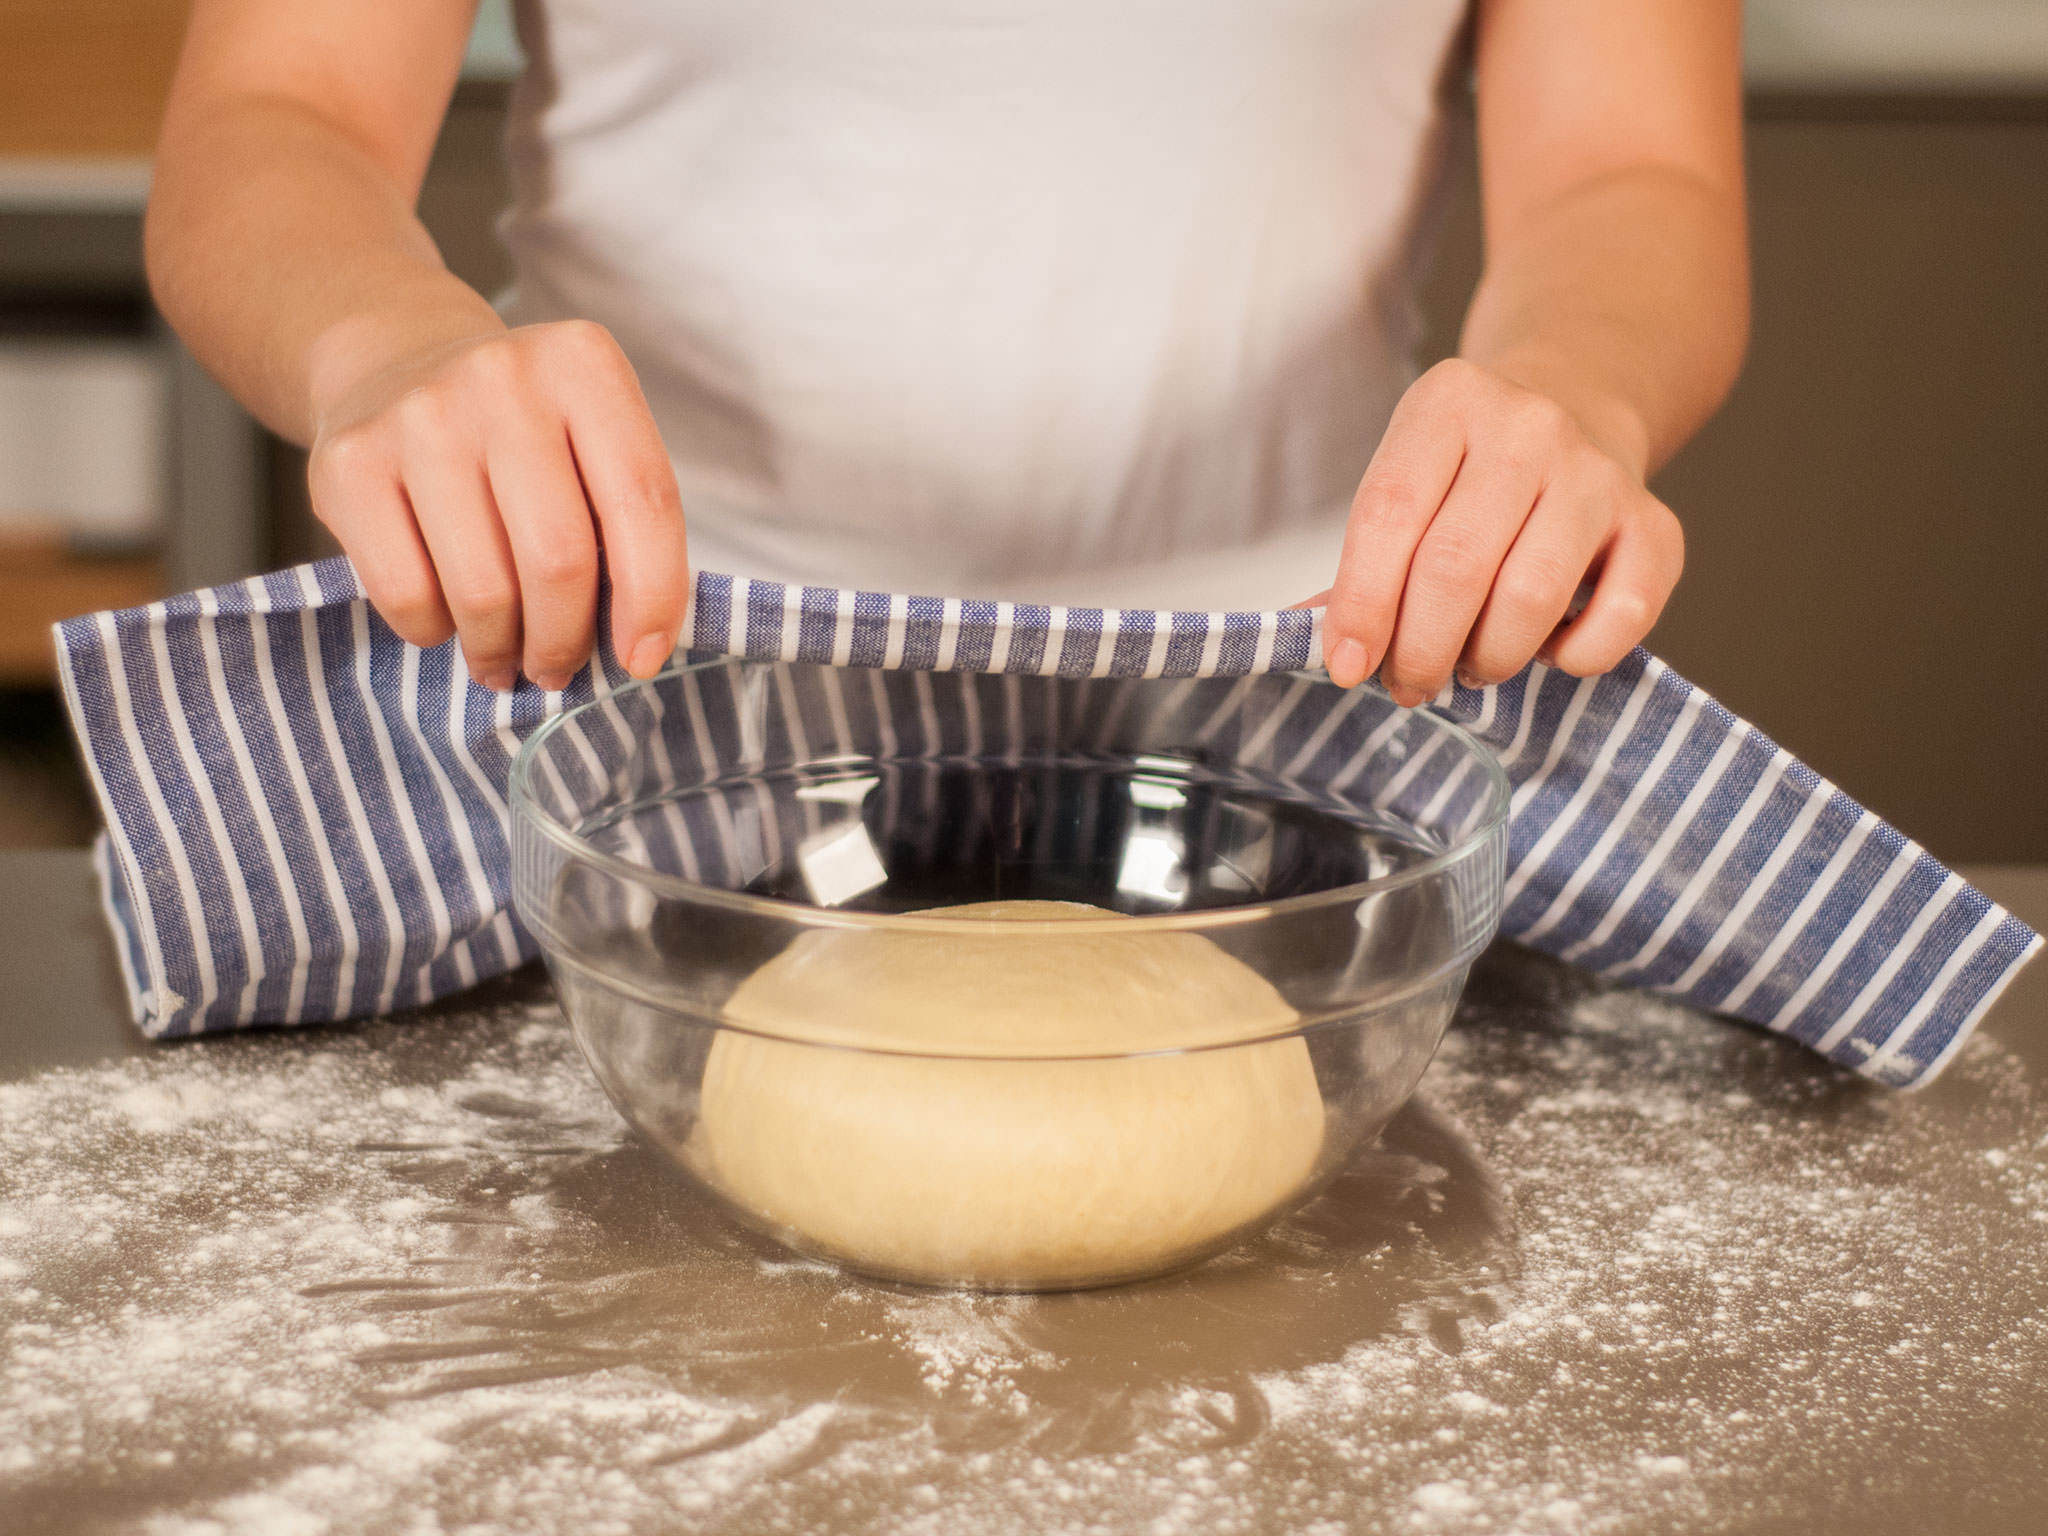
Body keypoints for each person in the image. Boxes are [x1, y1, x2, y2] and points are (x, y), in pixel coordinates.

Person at [145, 0, 1746, 708]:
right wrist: (387, 342)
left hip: (1324, 693)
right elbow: (278, 113)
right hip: (614, 679)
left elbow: (1631, 169)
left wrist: (1571, 391)